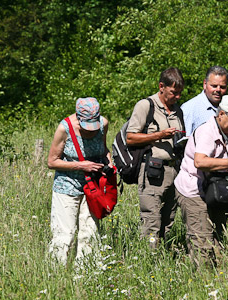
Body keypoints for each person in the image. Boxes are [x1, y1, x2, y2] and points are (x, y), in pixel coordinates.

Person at [174, 95, 228, 266]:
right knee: (202, 240)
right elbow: (200, 161)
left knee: (216, 237)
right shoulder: (207, 131)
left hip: (214, 191)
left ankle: (217, 277)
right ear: (222, 114)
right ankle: (203, 281)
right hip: (193, 190)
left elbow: (225, 162)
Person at [48, 97, 112, 265]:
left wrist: (109, 164)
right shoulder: (65, 128)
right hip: (66, 185)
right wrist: (80, 166)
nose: (91, 130)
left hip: (93, 187)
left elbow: (104, 150)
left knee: (90, 233)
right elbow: (52, 161)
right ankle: (56, 275)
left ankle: (86, 274)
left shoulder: (103, 124)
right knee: (65, 234)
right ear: (78, 117)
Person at [126, 67, 185, 248]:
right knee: (151, 221)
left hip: (174, 170)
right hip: (152, 171)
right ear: (161, 86)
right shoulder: (146, 105)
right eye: (174, 92)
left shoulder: (178, 110)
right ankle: (149, 254)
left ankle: (163, 255)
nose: (177, 97)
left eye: (180, 93)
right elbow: (131, 137)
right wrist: (158, 135)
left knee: (168, 219)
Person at [181, 66, 228, 136]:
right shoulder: (190, 108)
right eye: (214, 86)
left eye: (222, 87)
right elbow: (184, 141)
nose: (218, 90)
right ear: (205, 84)